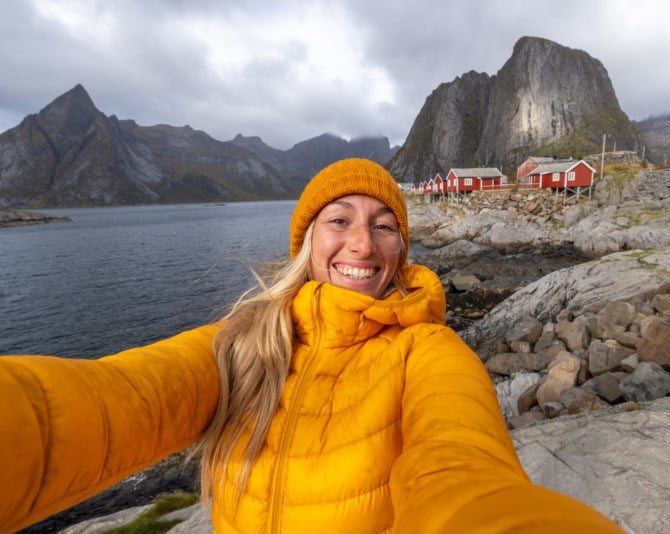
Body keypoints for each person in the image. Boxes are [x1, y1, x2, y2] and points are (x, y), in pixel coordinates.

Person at [0, 159, 622, 533]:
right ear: (307, 240)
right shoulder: (245, 337)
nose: (362, 244)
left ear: (402, 251)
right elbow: (105, 404)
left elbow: (463, 469)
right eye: (339, 220)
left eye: (384, 226)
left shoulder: (426, 351)